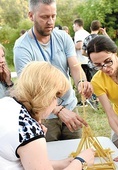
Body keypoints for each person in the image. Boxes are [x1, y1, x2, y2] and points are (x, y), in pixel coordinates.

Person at [13, 0, 93, 142]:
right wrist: (58, 110)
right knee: (51, 158)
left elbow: (74, 66)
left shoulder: (63, 37)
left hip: (70, 107)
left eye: (53, 16)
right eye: (44, 17)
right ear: (31, 16)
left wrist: (81, 81)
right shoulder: (22, 47)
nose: (50, 22)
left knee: (75, 151)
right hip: (44, 116)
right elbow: (28, 89)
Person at [0, 61, 95, 170]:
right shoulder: (29, 131)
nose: (56, 103)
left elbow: (26, 160)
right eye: (56, 97)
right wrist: (81, 162)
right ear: (46, 96)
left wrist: (62, 164)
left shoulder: (6, 102)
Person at [72, 18, 91, 106]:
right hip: (87, 60)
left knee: (81, 81)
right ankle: (89, 100)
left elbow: (79, 45)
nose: (73, 27)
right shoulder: (87, 33)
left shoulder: (78, 33)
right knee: (87, 80)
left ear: (76, 25)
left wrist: (70, 46)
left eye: (73, 25)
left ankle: (83, 101)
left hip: (81, 60)